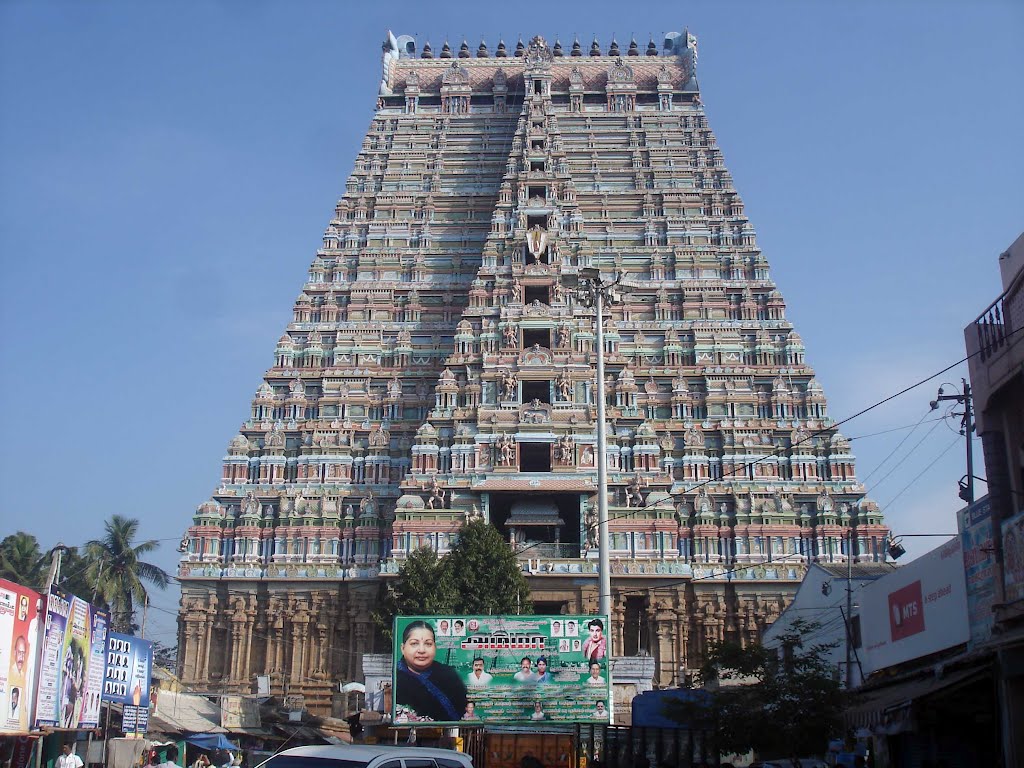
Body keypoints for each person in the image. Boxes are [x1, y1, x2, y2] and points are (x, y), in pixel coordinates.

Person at [395, 620, 467, 722]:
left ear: (435, 647)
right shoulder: (396, 677)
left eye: (428, 644)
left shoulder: (449, 674)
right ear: (403, 648)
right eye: (414, 643)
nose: (421, 650)